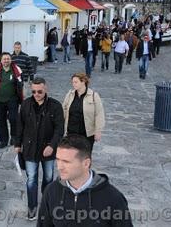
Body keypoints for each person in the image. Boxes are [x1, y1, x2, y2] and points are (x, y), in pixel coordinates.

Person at [37, 135, 133, 227]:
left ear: (86, 163)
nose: (59, 167)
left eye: (66, 162)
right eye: (58, 160)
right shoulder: (51, 191)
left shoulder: (113, 198)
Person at [14, 77, 64, 221]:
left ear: (45, 89)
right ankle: (32, 208)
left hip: (48, 149)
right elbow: (20, 126)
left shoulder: (55, 106)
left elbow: (59, 129)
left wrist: (52, 146)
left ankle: (46, 203)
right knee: (31, 180)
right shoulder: (25, 104)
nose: (36, 94)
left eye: (40, 91)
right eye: (34, 91)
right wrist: (17, 144)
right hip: (30, 149)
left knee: (48, 178)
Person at [62, 73, 105, 151]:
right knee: (72, 156)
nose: (73, 84)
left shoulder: (93, 95)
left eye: (76, 82)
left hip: (87, 133)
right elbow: (64, 109)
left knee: (84, 156)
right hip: (71, 132)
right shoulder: (70, 94)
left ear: (83, 82)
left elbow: (99, 114)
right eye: (72, 82)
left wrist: (98, 131)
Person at [0, 52, 23, 148]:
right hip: (0, 100)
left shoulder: (16, 70)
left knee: (13, 119)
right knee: (1, 121)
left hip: (12, 99)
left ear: (11, 60)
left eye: (8, 59)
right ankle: (3, 141)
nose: (6, 61)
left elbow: (21, 83)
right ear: (1, 60)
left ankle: (14, 137)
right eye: (4, 59)